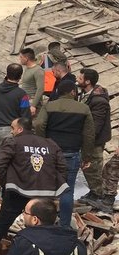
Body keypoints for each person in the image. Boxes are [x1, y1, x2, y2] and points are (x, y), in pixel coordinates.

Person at [0, 118, 67, 255]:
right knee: (45, 225)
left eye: (13, 128)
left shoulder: (14, 142)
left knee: (2, 223)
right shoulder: (50, 144)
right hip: (44, 193)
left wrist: (7, 183)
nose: (11, 131)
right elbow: (62, 166)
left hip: (18, 191)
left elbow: (0, 163)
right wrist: (54, 186)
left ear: (20, 129)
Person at [35, 80, 94, 228]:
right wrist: (87, 156)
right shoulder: (84, 108)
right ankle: (64, 225)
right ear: (73, 92)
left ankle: (43, 223)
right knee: (67, 190)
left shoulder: (49, 106)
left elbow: (39, 124)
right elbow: (89, 135)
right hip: (72, 154)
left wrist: (44, 144)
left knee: (46, 188)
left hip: (50, 153)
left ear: (58, 92)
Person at [77, 68, 112, 212]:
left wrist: (87, 142)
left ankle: (99, 195)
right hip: (87, 139)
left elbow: (95, 127)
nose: (77, 80)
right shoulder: (85, 94)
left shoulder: (99, 101)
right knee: (88, 168)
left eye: (80, 78)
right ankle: (94, 191)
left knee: (93, 168)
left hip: (94, 141)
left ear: (88, 81)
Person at [0, 63, 31, 153]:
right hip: (14, 130)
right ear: (20, 76)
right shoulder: (22, 94)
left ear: (7, 73)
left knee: (0, 159)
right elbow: (26, 115)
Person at [19, 48, 45, 117]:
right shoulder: (27, 68)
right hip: (25, 100)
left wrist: (33, 105)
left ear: (26, 58)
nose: (20, 59)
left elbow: (40, 89)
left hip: (32, 101)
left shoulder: (38, 71)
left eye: (21, 57)